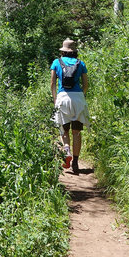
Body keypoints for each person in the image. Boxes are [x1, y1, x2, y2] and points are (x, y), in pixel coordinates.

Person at [51, 38, 89, 174]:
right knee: (76, 132)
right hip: (78, 98)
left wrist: (56, 100)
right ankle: (76, 163)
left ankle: (66, 150)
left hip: (63, 98)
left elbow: (52, 84)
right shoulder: (81, 63)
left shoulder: (56, 62)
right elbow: (86, 85)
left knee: (64, 130)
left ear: (63, 51)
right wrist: (81, 96)